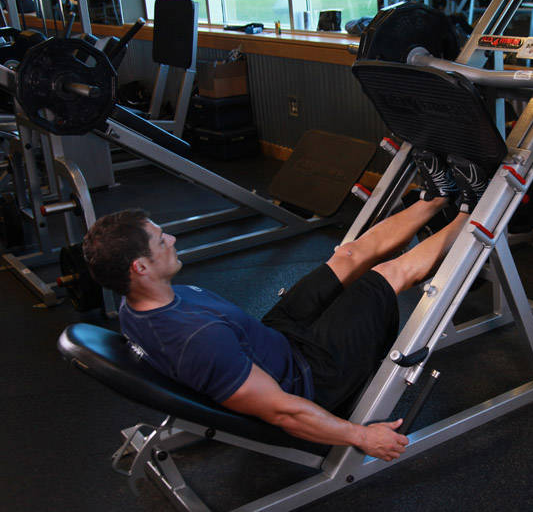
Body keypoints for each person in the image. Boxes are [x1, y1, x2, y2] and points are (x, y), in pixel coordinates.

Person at [82, 149, 491, 462]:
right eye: (160, 241)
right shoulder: (197, 341)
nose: (171, 239)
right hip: (314, 377)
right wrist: (362, 436)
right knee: (387, 276)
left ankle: (438, 197)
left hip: (276, 339)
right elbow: (283, 413)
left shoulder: (133, 306)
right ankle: (474, 209)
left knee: (347, 257)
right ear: (140, 267)